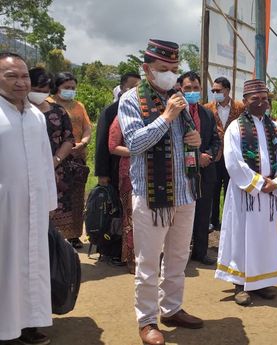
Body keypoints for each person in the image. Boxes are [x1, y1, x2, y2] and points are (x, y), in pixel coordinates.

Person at [118, 39, 204, 345]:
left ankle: (172, 308)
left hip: (184, 192)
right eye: (163, 69)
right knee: (148, 262)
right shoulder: (131, 100)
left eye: (174, 69)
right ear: (146, 69)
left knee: (179, 257)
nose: (170, 75)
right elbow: (136, 144)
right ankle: (147, 320)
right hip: (153, 196)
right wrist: (166, 116)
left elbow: (188, 141)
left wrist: (194, 140)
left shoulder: (178, 98)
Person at [215, 79, 277, 306]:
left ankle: (261, 282)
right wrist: (258, 183)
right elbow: (233, 161)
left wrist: (276, 182)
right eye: (254, 99)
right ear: (245, 101)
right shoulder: (235, 128)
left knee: (265, 238)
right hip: (245, 193)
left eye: (264, 99)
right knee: (241, 236)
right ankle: (240, 284)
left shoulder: (276, 128)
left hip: (268, 194)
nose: (260, 103)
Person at [0, 52, 57, 345]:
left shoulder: (36, 115)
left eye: (24, 76)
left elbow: (46, 161)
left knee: (33, 265)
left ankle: (29, 323)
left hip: (34, 208)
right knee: (5, 266)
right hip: (4, 209)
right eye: (12, 76)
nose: (20, 83)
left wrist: (49, 200)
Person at [28, 67, 76, 245]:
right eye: (36, 90)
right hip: (29, 172)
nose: (40, 94)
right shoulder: (21, 112)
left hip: (58, 171)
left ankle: (54, 255)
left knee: (55, 215)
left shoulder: (59, 111)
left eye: (44, 91)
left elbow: (68, 138)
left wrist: (54, 161)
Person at [177, 71, 220, 265]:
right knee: (181, 215)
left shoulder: (207, 113)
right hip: (182, 172)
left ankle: (200, 252)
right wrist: (196, 156)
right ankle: (179, 253)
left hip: (205, 172)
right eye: (188, 88)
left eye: (196, 88)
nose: (192, 92)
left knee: (203, 214)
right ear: (180, 89)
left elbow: (215, 139)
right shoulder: (174, 112)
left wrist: (208, 155)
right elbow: (176, 142)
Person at [49, 71, 91, 249]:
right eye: (66, 88)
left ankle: (74, 234)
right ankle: (54, 234)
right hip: (56, 158)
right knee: (56, 198)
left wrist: (83, 143)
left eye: (73, 88)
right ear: (56, 87)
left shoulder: (78, 105)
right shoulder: (48, 105)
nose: (70, 91)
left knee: (76, 197)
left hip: (77, 156)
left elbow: (87, 128)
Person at [204, 77, 245, 231]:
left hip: (233, 155)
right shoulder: (207, 108)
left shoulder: (240, 108)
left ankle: (230, 220)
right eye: (213, 90)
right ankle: (212, 220)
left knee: (230, 188)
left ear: (227, 90)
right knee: (213, 188)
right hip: (215, 155)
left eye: (218, 90)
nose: (215, 93)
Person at [95, 72, 141, 189]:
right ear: (122, 88)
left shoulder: (142, 108)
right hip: (115, 165)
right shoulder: (111, 111)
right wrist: (102, 173)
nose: (135, 91)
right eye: (131, 87)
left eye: (138, 88)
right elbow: (102, 143)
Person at [108, 116, 135, 274]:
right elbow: (113, 146)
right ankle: (132, 259)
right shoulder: (121, 118)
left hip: (157, 174)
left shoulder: (158, 113)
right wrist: (139, 150)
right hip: (130, 174)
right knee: (132, 218)